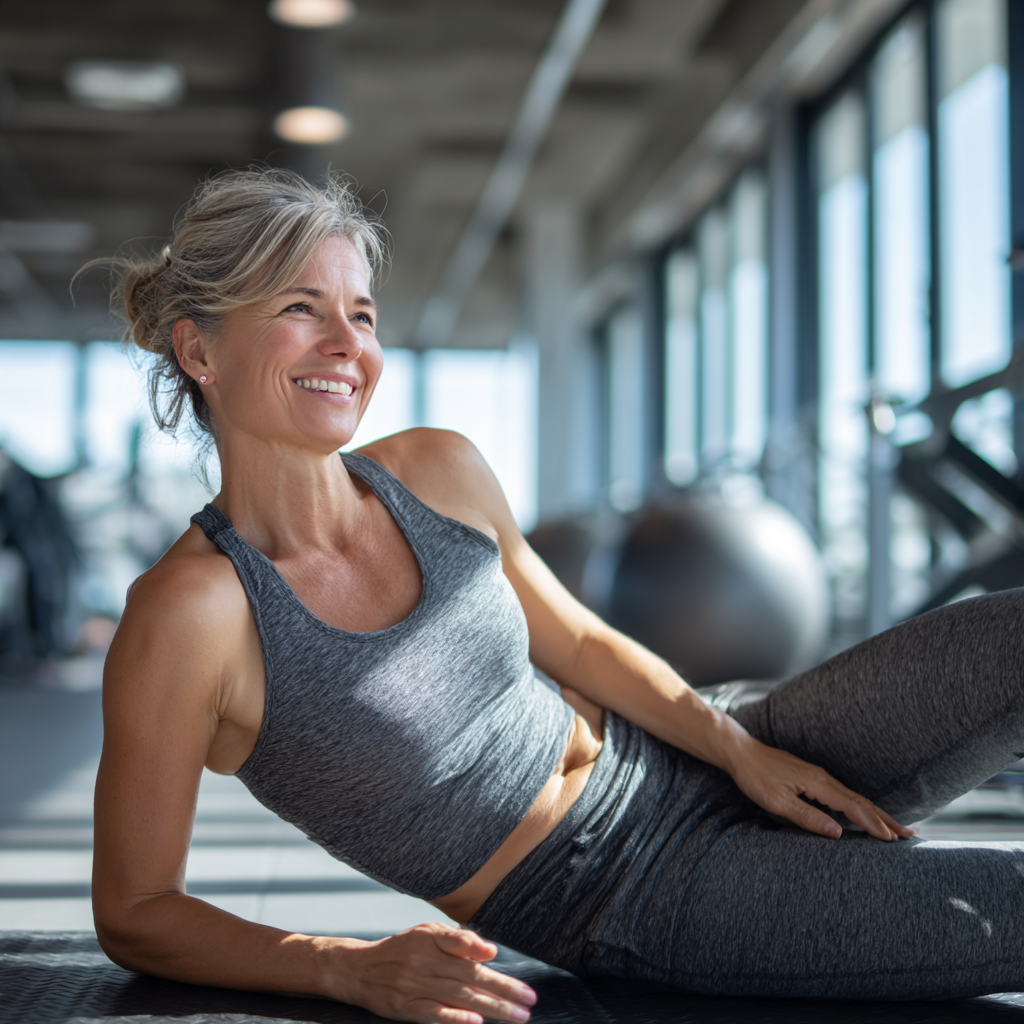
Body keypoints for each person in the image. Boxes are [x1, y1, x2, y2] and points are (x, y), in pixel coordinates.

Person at [92, 168, 1024, 1024]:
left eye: (365, 315)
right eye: (303, 308)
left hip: (707, 744)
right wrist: (344, 964)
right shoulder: (190, 616)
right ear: (198, 349)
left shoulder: (434, 469)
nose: (349, 345)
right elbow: (135, 910)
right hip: (638, 895)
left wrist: (739, 749)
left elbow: (574, 639)